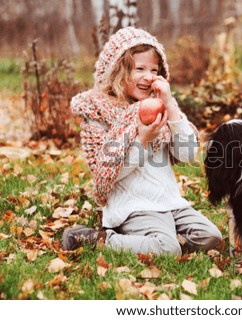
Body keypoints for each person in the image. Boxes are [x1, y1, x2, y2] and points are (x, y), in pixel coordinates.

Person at [63, 27, 222, 255]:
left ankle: (151, 241)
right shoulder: (98, 113)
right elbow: (107, 174)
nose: (148, 77)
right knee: (168, 250)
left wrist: (170, 104)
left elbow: (187, 154)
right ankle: (98, 239)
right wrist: (143, 141)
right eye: (139, 69)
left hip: (168, 202)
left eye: (154, 70)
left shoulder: (160, 108)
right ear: (118, 70)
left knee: (212, 237)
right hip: (134, 206)